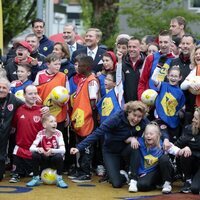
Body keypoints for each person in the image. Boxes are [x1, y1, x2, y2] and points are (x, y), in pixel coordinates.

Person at [70, 101, 148, 188]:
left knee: (135, 146)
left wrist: (134, 138)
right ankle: (125, 176)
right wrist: (79, 147)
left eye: (139, 117)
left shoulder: (143, 122)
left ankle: (133, 179)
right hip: (111, 151)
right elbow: (98, 133)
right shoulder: (116, 119)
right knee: (116, 183)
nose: (136, 119)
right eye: (134, 115)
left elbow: (152, 131)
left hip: (126, 150)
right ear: (128, 112)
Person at [128, 122, 188, 194]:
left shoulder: (163, 144)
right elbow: (125, 139)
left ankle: (167, 183)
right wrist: (132, 139)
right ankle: (156, 184)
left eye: (151, 134)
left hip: (161, 172)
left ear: (157, 135)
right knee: (142, 186)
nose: (148, 136)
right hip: (149, 173)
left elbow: (177, 151)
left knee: (164, 158)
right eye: (146, 134)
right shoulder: (141, 142)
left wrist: (185, 149)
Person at [9, 85, 48, 183]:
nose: (33, 96)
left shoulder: (43, 111)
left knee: (36, 174)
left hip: (36, 150)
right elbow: (13, 128)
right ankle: (16, 173)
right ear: (24, 95)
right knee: (17, 171)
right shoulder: (18, 110)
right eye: (30, 94)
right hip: (20, 150)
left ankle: (33, 172)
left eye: (35, 93)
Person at [70, 55, 99, 182]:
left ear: (87, 67)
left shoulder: (92, 81)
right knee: (79, 145)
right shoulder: (82, 79)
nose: (77, 67)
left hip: (88, 119)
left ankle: (86, 173)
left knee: (87, 146)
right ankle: (80, 170)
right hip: (79, 119)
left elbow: (93, 103)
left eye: (80, 65)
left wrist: (87, 115)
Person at [26, 114, 68, 188]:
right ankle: (35, 178)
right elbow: (31, 148)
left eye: (55, 121)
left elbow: (63, 150)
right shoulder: (40, 133)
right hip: (44, 160)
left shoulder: (58, 133)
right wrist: (38, 149)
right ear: (45, 125)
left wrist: (52, 150)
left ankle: (59, 179)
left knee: (59, 156)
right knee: (35, 154)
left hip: (54, 160)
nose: (55, 123)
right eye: (51, 121)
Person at [138, 30, 174, 100]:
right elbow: (142, 81)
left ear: (171, 43)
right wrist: (141, 99)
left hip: (166, 101)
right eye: (161, 42)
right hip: (149, 99)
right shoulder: (151, 58)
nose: (163, 45)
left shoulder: (175, 60)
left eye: (166, 42)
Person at [0, 77, 24, 181]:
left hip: (5, 132)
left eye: (4, 88)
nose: (1, 90)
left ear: (8, 89)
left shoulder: (13, 98)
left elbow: (26, 105)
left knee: (2, 154)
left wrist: (42, 107)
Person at [170, 34, 196, 125]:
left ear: (194, 45)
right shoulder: (173, 62)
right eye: (183, 43)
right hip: (175, 109)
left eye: (188, 44)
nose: (185, 46)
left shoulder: (196, 63)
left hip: (192, 109)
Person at [175, 107, 200, 194]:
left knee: (195, 189)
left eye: (196, 118)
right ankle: (188, 179)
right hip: (192, 164)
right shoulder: (189, 129)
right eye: (193, 117)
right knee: (185, 153)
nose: (193, 120)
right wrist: (184, 148)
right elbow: (175, 146)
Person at [97, 50, 124, 123]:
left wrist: (120, 60)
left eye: (107, 60)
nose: (106, 81)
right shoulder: (100, 76)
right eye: (103, 60)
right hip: (105, 117)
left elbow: (118, 76)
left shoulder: (118, 89)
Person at [122, 37, 145, 102]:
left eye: (134, 47)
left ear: (140, 48)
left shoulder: (146, 63)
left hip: (141, 103)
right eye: (129, 47)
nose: (131, 49)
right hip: (127, 104)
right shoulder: (122, 64)